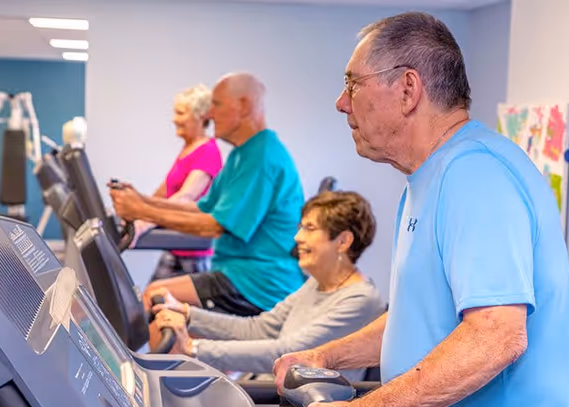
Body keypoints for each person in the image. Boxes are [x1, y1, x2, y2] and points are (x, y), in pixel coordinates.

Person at [273, 11, 569, 407]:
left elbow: (495, 336)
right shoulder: (427, 177)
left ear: (408, 89)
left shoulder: (475, 173)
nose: (341, 102)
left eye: (352, 83)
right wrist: (326, 356)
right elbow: (420, 316)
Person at [109, 72, 306, 318]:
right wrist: (142, 201)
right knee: (161, 304)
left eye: (217, 104)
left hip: (259, 284)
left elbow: (212, 226)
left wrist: (142, 211)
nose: (209, 114)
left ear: (243, 106)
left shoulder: (262, 158)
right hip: (238, 273)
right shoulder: (241, 154)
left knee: (155, 297)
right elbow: (202, 208)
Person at [149, 191, 386, 380]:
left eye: (309, 229)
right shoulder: (317, 284)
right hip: (267, 387)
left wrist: (193, 348)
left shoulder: (360, 300)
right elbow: (260, 327)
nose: (298, 238)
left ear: (343, 241)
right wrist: (189, 315)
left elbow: (287, 353)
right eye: (300, 228)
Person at [128, 84, 223, 278]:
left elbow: (186, 196)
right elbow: (162, 193)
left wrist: (147, 221)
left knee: (160, 302)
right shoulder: (188, 149)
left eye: (181, 114)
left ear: (202, 116)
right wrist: (134, 209)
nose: (174, 119)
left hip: (193, 253)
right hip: (175, 246)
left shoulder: (208, 151)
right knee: (153, 302)